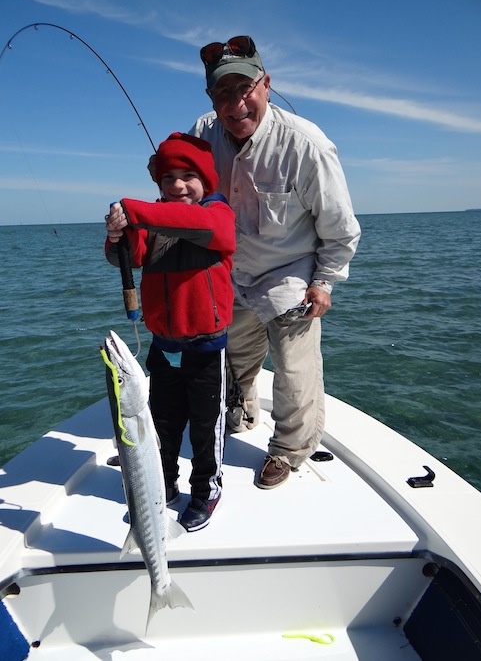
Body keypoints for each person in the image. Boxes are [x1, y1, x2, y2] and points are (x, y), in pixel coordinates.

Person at [151, 36, 361, 490]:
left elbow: (341, 227)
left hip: (291, 274)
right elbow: (183, 187)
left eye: (245, 88)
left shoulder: (307, 144)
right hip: (230, 274)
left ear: (266, 84)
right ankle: (242, 411)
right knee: (237, 358)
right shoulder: (203, 131)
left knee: (294, 369)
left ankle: (288, 448)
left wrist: (324, 282)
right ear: (210, 97)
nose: (236, 103)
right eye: (222, 92)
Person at [105, 132, 235, 531]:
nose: (177, 185)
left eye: (187, 176)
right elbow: (128, 256)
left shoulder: (216, 213)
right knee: (162, 423)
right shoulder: (153, 220)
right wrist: (118, 234)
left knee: (205, 427)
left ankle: (206, 490)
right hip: (163, 346)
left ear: (205, 181)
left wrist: (135, 210)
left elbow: (201, 224)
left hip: (205, 349)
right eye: (167, 178)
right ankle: (164, 484)